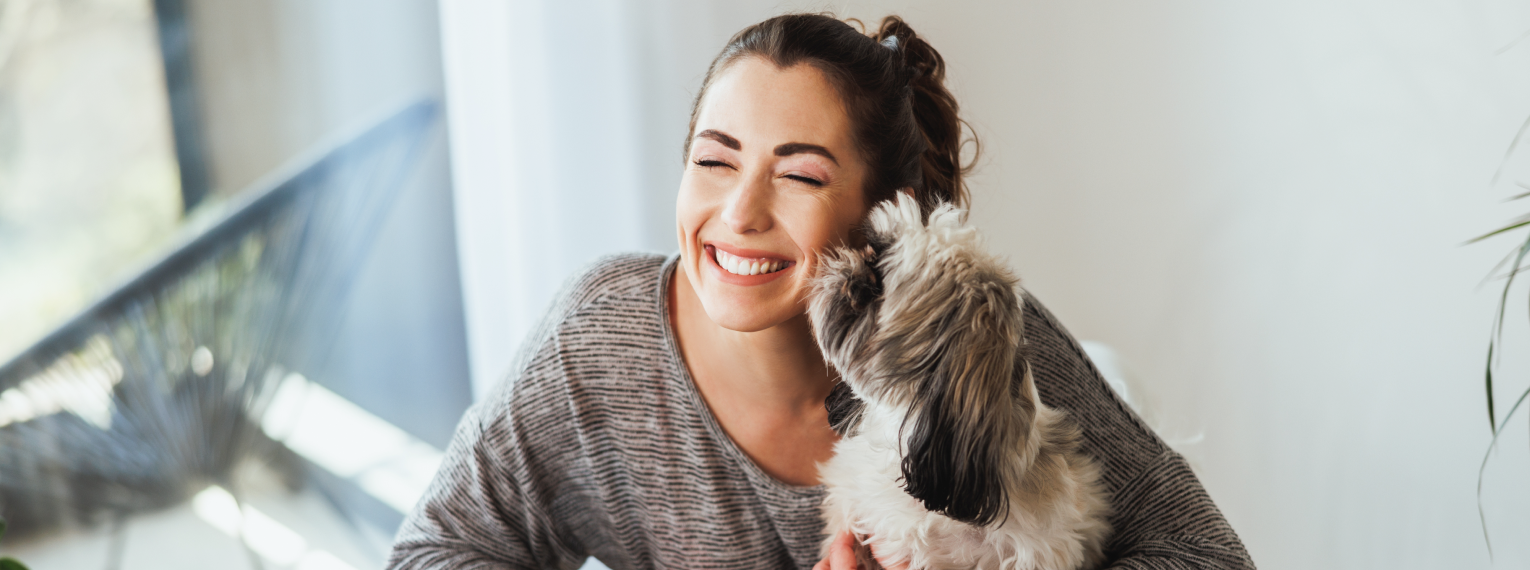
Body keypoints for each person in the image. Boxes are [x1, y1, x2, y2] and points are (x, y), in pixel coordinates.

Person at [387, 13, 1254, 570]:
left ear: (883, 212)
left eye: (799, 174)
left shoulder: (966, 346)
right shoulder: (600, 340)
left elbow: (1207, 554)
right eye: (714, 160)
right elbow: (436, 550)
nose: (739, 213)